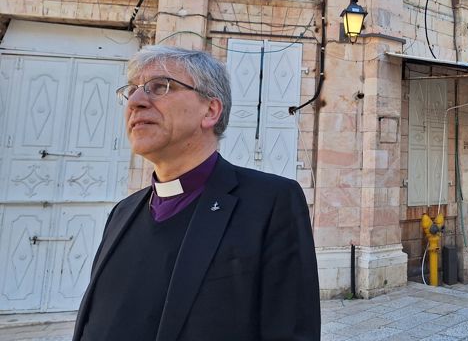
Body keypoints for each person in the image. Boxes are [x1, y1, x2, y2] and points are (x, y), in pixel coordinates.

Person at [72, 45, 320, 341]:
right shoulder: (122, 213)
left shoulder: (271, 202)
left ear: (210, 110)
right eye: (132, 90)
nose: (136, 101)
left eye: (159, 87)